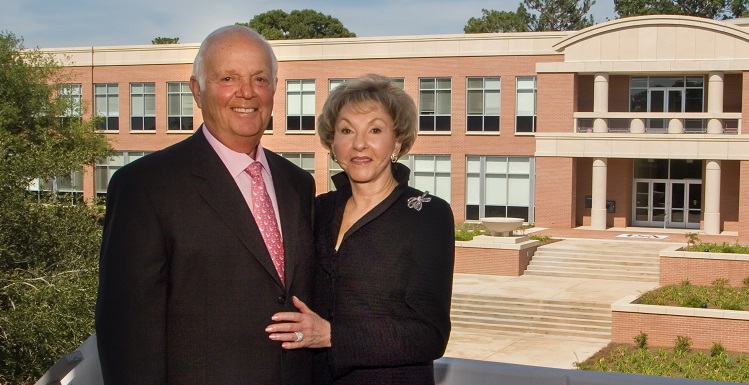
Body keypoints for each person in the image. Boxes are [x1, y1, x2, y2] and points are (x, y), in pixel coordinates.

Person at [95, 25, 316, 385]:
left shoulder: (298, 183)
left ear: (275, 89)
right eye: (228, 77)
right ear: (197, 90)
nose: (247, 93)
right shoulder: (145, 185)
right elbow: (127, 332)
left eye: (260, 79)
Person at [266, 74, 455, 385]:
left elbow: (431, 334)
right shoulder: (317, 210)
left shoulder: (427, 214)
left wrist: (331, 335)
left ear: (397, 141)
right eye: (346, 130)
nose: (359, 143)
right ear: (332, 142)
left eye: (375, 130)